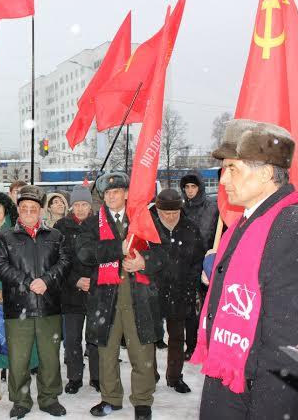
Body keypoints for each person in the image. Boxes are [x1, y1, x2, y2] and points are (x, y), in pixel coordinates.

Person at [193, 120, 298, 419]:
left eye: (233, 168)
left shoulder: (294, 230)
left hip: (263, 401)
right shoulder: (247, 223)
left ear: (266, 173)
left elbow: (292, 351)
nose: (224, 179)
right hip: (234, 386)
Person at [80, 171, 161, 420]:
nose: (111, 196)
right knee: (106, 352)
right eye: (107, 193)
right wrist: (118, 248)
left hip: (139, 297)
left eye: (116, 192)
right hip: (106, 299)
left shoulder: (144, 220)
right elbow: (84, 253)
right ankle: (111, 398)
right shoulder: (94, 223)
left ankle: (143, 401)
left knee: (142, 352)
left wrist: (142, 262)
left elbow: (164, 256)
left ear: (127, 194)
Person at [0, 185, 70, 419]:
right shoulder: (5, 236)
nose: (28, 212)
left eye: (33, 208)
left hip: (49, 307)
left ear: (40, 210)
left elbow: (65, 262)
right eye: (24, 207)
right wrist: (27, 282)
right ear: (17, 209)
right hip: (18, 308)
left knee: (49, 357)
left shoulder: (55, 236)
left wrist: (46, 280)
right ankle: (21, 400)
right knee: (19, 359)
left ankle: (49, 398)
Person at [0, 190, 40, 403]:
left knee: (17, 340)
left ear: (5, 207)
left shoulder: (19, 229)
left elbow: (29, 264)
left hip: (18, 293)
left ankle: (18, 387)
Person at [149, 189, 205, 394]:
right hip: (153, 290)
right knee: (151, 337)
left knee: (177, 337)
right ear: (158, 209)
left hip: (181, 290)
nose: (171, 216)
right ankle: (150, 376)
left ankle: (175, 376)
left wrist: (191, 285)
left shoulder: (190, 228)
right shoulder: (150, 229)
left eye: (175, 212)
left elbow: (198, 261)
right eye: (166, 213)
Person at [54, 185, 99, 394]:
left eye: (84, 204)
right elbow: (58, 260)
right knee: (72, 338)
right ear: (71, 206)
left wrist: (92, 279)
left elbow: (104, 257)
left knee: (95, 337)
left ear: (90, 206)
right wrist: (75, 280)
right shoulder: (61, 227)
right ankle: (74, 377)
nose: (80, 209)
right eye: (77, 204)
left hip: (95, 291)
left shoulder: (100, 224)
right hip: (70, 291)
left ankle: (97, 377)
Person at [179, 172, 219, 360]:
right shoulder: (182, 209)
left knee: (210, 307)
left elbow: (219, 233)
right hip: (187, 265)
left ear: (200, 188)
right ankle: (192, 346)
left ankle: (211, 345)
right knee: (190, 309)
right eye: (186, 187)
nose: (189, 191)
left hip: (208, 263)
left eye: (193, 187)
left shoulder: (212, 207)